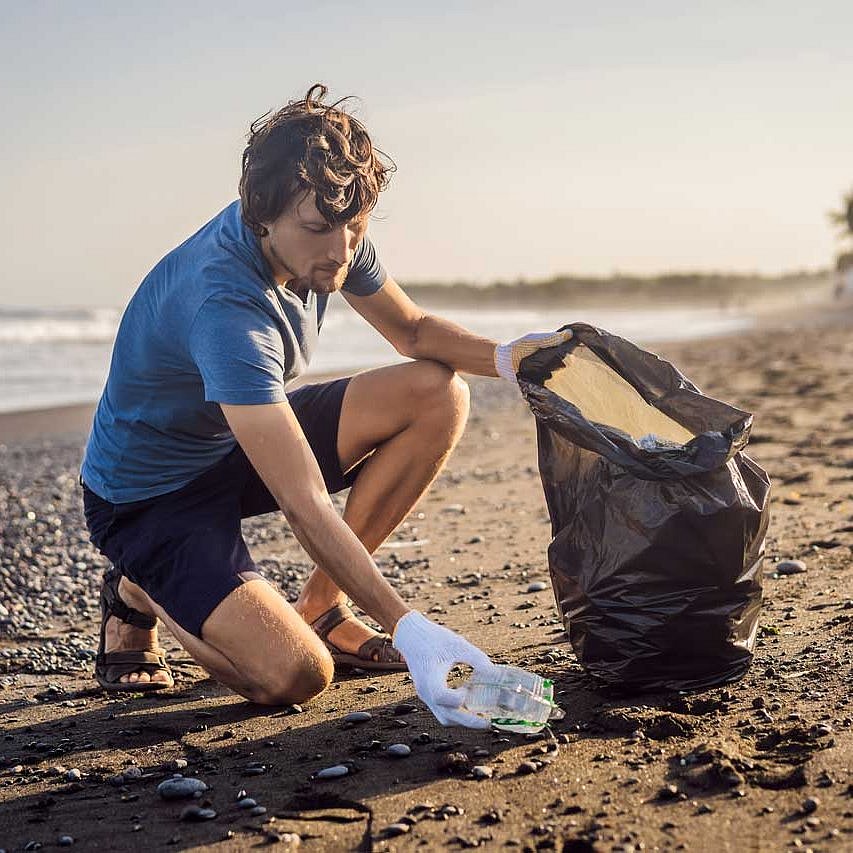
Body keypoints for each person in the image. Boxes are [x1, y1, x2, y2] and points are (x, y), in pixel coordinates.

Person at [80, 84, 569, 728]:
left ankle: (321, 604)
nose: (341, 250)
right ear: (261, 216)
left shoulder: (332, 224)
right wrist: (416, 635)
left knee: (437, 391)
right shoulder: (224, 308)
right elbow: (305, 502)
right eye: (318, 229)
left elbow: (414, 332)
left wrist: (514, 359)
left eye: (356, 226)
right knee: (294, 675)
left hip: (231, 444)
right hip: (149, 500)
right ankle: (138, 586)